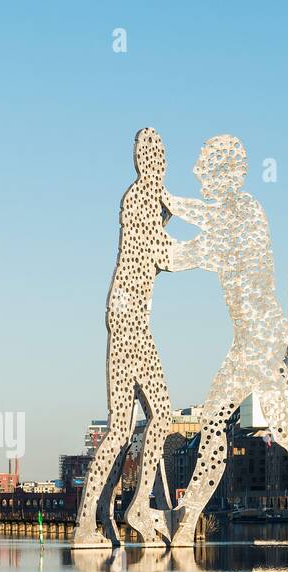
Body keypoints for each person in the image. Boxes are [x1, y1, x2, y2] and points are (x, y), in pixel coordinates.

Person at [166, 135, 288, 547]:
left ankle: (187, 520)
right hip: (256, 338)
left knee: (218, 422)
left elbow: (185, 252)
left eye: (207, 168)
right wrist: (166, 210)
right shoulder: (229, 220)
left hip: (259, 338)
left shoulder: (244, 211)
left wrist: (163, 204)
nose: (200, 174)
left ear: (228, 174)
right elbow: (194, 242)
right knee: (278, 428)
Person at [73, 128, 197, 548]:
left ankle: (95, 521)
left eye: (160, 155)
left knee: (122, 427)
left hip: (125, 315)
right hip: (130, 320)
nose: (158, 162)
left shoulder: (142, 196)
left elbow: (166, 229)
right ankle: (137, 506)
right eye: (154, 155)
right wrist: (213, 249)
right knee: (159, 415)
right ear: (146, 161)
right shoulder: (142, 196)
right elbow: (165, 254)